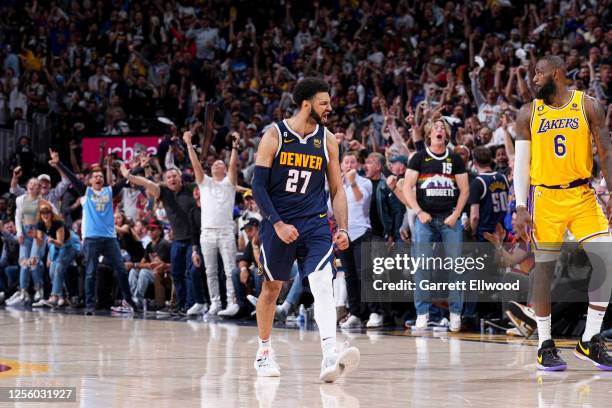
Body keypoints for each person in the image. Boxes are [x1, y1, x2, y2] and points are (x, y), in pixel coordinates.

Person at [251, 77, 359, 382]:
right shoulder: (275, 135)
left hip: (314, 222)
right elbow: (258, 187)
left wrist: (343, 228)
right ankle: (263, 352)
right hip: (279, 222)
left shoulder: (328, 140)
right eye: (324, 102)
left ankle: (329, 354)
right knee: (271, 289)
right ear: (306, 104)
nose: (330, 107)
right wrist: (278, 223)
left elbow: (337, 189)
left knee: (323, 282)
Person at [513, 55, 612, 371]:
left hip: (582, 194)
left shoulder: (588, 105)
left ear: (556, 73)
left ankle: (589, 340)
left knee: (606, 260)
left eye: (538, 73)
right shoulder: (528, 113)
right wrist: (519, 204)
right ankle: (545, 344)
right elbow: (520, 164)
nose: (534, 79)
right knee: (544, 271)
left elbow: (606, 153)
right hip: (545, 197)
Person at [403, 118, 469, 332]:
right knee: (422, 267)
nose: (440, 130)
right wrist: (419, 212)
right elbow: (406, 187)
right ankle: (422, 313)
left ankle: (455, 313)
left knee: (456, 267)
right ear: (430, 133)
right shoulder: (419, 158)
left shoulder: (455, 158)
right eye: (436, 128)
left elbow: (465, 190)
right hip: (426, 218)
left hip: (449, 218)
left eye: (443, 128)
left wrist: (457, 214)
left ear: (446, 135)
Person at [55, 159, 137, 315]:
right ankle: (90, 305)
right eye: (96, 176)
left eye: (101, 176)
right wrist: (59, 163)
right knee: (91, 272)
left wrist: (139, 167)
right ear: (90, 180)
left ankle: (129, 300)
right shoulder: (86, 192)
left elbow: (127, 178)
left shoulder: (109, 191)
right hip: (92, 238)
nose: (99, 178)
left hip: (110, 239)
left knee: (121, 269)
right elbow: (72, 177)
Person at [125, 163, 195, 315]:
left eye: (174, 176)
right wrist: (130, 176)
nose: (171, 179)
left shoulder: (190, 188)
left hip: (192, 239)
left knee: (190, 273)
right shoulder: (163, 192)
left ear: (180, 178)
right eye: (168, 177)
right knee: (177, 274)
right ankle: (181, 305)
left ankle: (191, 305)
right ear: (165, 181)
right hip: (177, 240)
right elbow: (148, 183)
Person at [183, 129, 240, 317]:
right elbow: (195, 164)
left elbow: (233, 165)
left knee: (230, 270)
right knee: (210, 272)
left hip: (225, 232)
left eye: (220, 163)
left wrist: (234, 146)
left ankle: (232, 302)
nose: (217, 163)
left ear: (224, 169)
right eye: (214, 163)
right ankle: (215, 302)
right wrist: (189, 144)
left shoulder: (229, 183)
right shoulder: (204, 183)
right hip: (206, 233)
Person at [337, 152, 373, 329]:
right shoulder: (337, 186)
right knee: (350, 276)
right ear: (341, 166)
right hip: (344, 234)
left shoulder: (364, 182)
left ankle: (374, 311)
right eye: (346, 162)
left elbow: (361, 200)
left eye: (353, 161)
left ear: (358, 165)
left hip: (361, 232)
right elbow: (330, 210)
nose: (350, 164)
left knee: (365, 274)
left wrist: (351, 182)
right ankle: (355, 313)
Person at [32, 200, 79, 308]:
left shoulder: (58, 223)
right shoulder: (40, 223)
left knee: (59, 266)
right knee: (52, 271)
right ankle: (63, 297)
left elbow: (60, 243)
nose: (45, 215)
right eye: (43, 213)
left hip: (69, 245)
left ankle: (54, 297)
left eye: (47, 212)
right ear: (40, 214)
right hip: (55, 245)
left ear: (51, 213)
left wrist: (52, 241)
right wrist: (35, 253)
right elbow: (39, 242)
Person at [469, 146, 510, 242]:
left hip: (486, 234)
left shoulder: (477, 182)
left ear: (474, 162)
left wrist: (473, 231)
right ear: (491, 160)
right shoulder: (503, 177)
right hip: (504, 231)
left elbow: (475, 217)